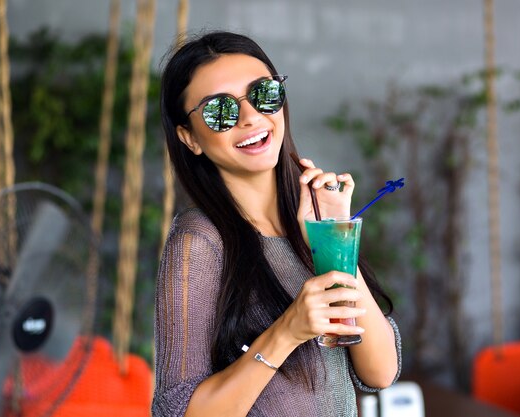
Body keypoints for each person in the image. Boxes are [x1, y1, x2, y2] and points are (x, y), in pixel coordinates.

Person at [153, 30, 401, 417]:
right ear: (190, 138)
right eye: (221, 110)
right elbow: (176, 410)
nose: (252, 117)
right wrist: (287, 331)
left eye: (264, 94)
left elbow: (381, 372)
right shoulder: (199, 243)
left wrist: (334, 239)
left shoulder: (313, 219)